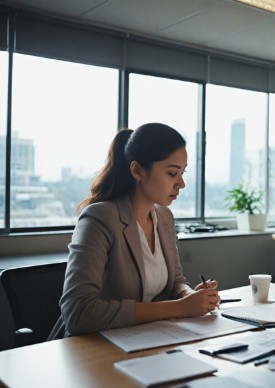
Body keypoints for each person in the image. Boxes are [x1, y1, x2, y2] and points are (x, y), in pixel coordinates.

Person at [49, 123, 220, 339]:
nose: (181, 184)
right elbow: (79, 312)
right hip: (94, 348)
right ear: (137, 170)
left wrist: (190, 296)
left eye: (182, 173)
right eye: (172, 173)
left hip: (145, 340)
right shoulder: (99, 218)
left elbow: (175, 281)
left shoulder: (164, 217)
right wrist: (179, 308)